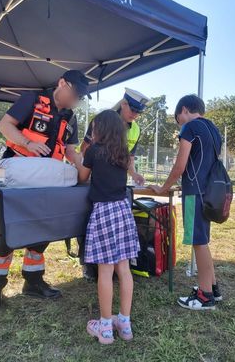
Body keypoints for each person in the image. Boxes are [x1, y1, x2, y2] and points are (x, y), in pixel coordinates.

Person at [0, 70, 91, 311]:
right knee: (6, 235)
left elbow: (70, 151)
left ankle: (33, 282)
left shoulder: (70, 117)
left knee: (41, 230)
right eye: (75, 93)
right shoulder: (31, 100)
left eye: (80, 97)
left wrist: (84, 166)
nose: (76, 100)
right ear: (62, 83)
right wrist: (28, 143)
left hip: (46, 183)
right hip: (17, 173)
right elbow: (5, 125)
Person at [149, 94, 222, 310]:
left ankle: (204, 296)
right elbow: (202, 162)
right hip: (209, 192)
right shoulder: (214, 130)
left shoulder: (189, 128)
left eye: (177, 118)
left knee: (198, 242)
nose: (178, 122)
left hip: (194, 194)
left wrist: (163, 187)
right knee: (202, 242)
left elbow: (181, 165)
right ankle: (213, 289)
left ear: (184, 110)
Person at [74, 110, 140, 344]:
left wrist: (73, 155)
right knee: (124, 269)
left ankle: (104, 328)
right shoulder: (123, 153)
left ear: (100, 130)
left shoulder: (93, 151)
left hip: (103, 212)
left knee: (105, 270)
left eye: (94, 128)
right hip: (123, 210)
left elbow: (82, 177)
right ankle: (124, 322)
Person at [79, 88, 149, 280]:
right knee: (87, 223)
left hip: (114, 189)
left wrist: (133, 174)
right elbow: (85, 148)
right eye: (133, 109)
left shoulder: (135, 129)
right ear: (123, 103)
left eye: (138, 112)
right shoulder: (102, 120)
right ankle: (88, 264)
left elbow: (129, 157)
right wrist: (88, 165)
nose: (135, 115)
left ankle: (116, 264)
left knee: (115, 230)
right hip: (95, 181)